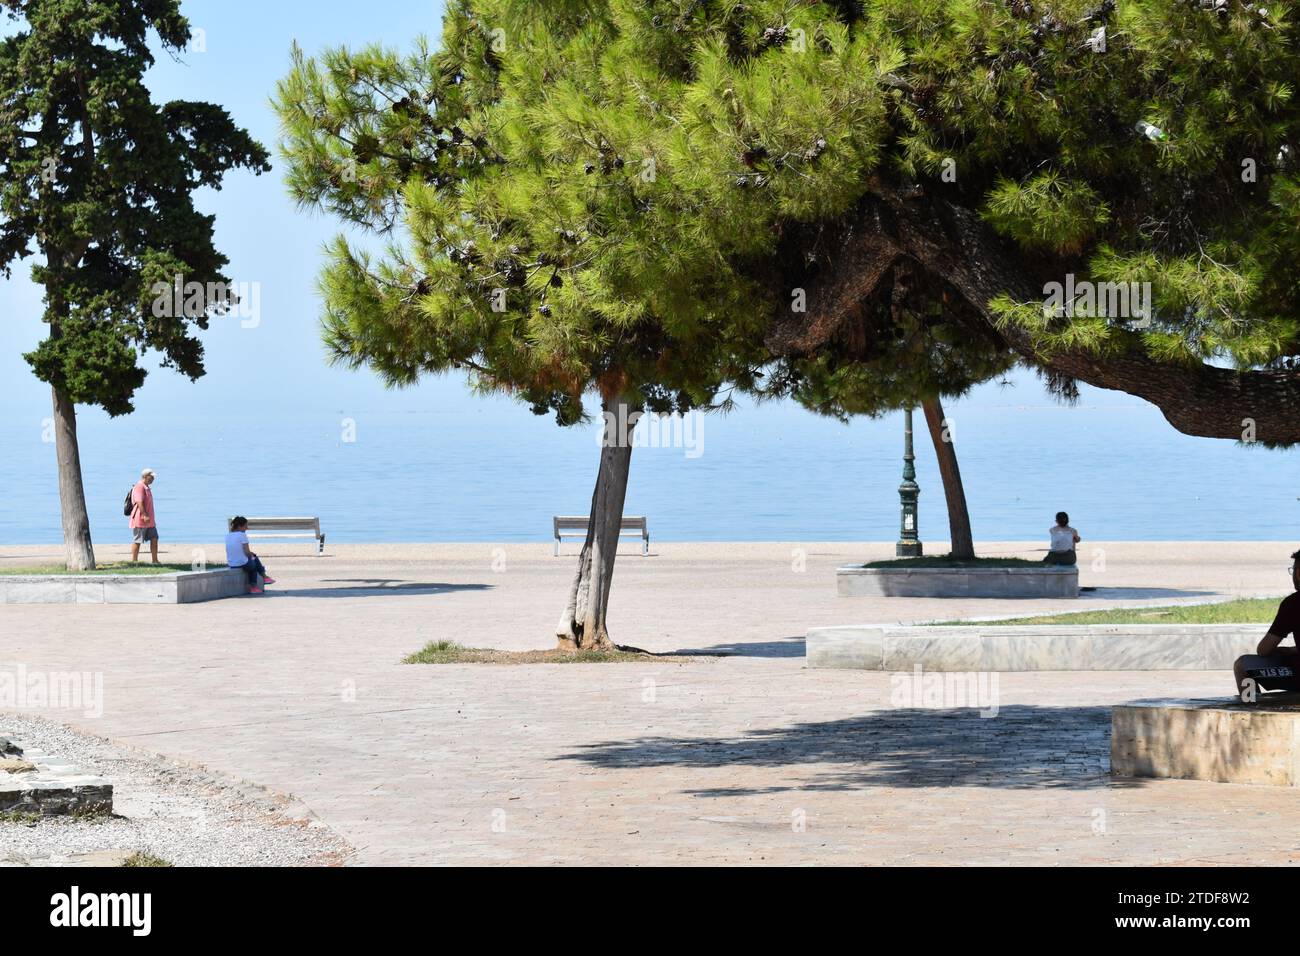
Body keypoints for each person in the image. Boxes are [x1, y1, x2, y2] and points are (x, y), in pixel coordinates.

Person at [1233, 550, 1300, 699]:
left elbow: (1264, 650)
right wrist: (1292, 650)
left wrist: (1287, 651)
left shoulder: (1293, 604)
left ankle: (1251, 709)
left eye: (1294, 570)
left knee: (1242, 666)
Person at [225, 516, 276, 594]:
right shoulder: (242, 535)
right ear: (239, 526)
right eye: (245, 526)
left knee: (253, 559)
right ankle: (258, 582)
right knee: (253, 564)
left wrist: (251, 555)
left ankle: (264, 577)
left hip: (231, 563)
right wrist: (252, 556)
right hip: (241, 563)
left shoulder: (228, 536)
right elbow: (247, 552)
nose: (247, 528)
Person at [129, 468, 159, 564]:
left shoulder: (146, 487)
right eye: (151, 476)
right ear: (145, 477)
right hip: (140, 519)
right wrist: (145, 515)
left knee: (154, 538)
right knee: (137, 541)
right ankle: (134, 561)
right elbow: (139, 502)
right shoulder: (139, 487)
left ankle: (155, 560)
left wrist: (151, 519)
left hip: (150, 521)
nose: (153, 478)